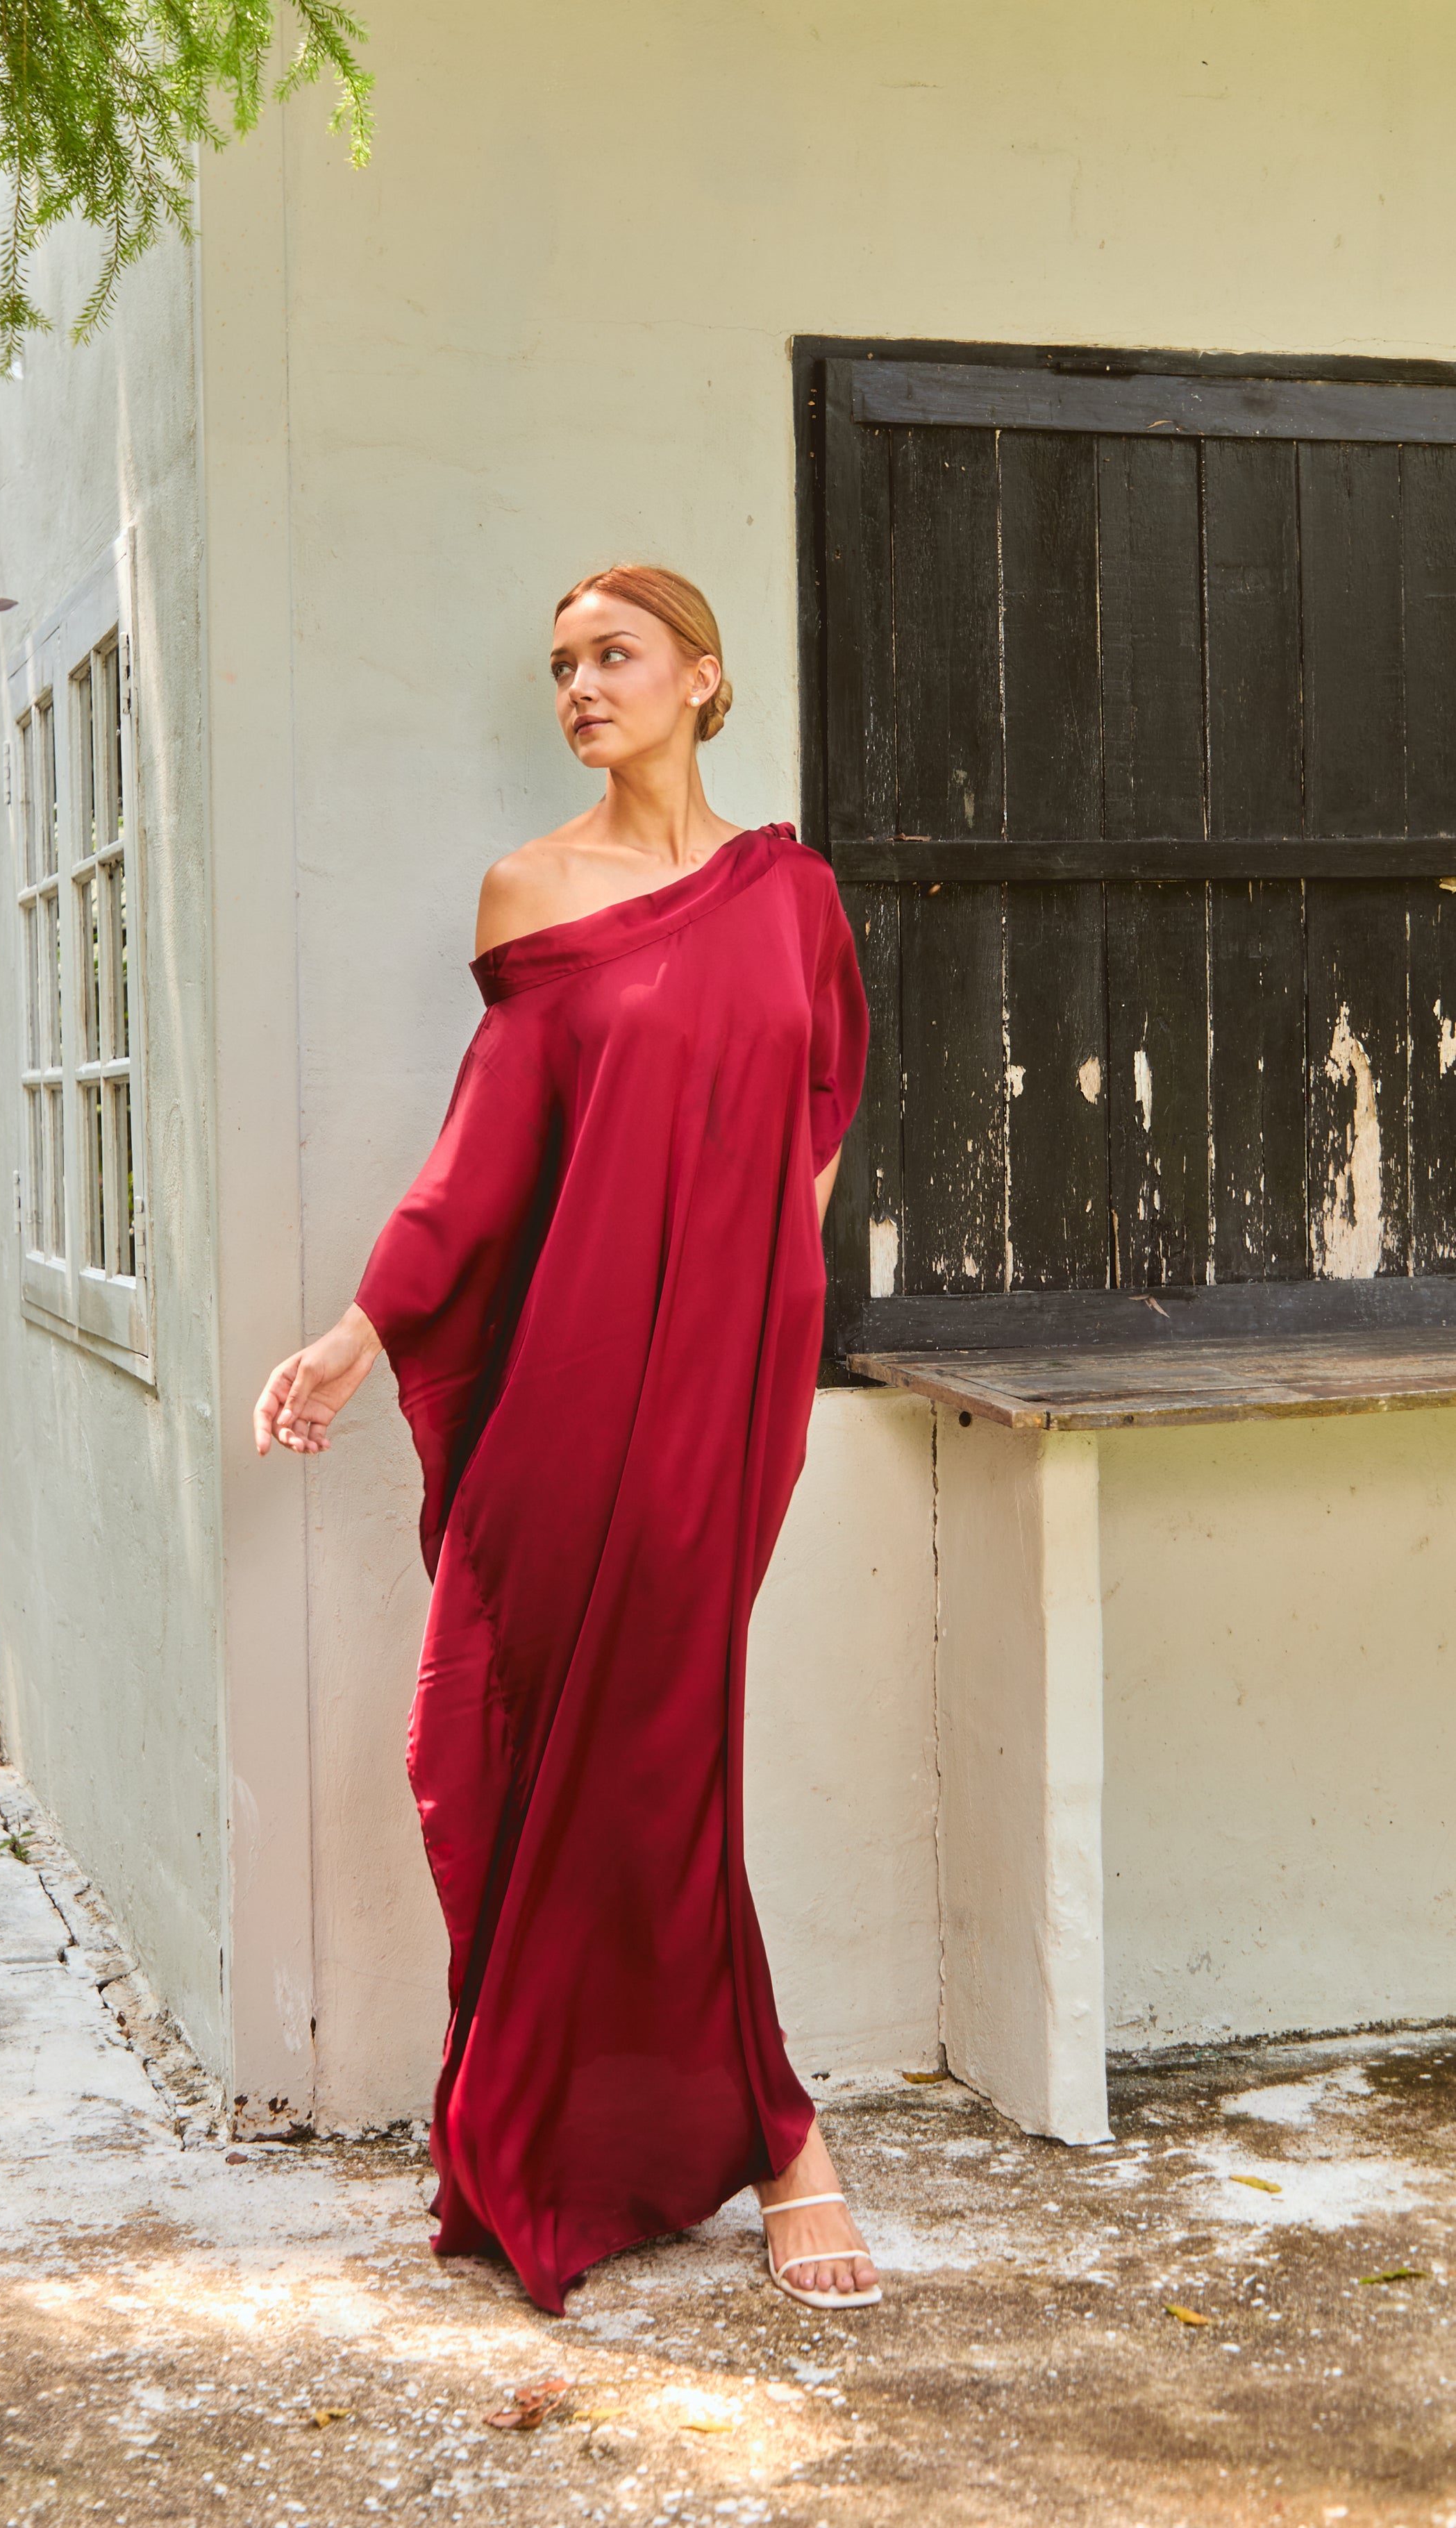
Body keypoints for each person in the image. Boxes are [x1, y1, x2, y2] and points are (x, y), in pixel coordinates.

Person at [253, 564, 876, 2318]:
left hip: (716, 1405)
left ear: (702, 676)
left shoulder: (793, 896)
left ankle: (774, 2141)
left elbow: (811, 1136)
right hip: (563, 1403)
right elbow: (486, 1156)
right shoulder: (530, 891)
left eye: (612, 657)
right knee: (485, 1757)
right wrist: (362, 1329)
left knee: (668, 1756)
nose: (580, 688)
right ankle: (598, 2134)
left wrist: (749, 1322)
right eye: (558, 668)